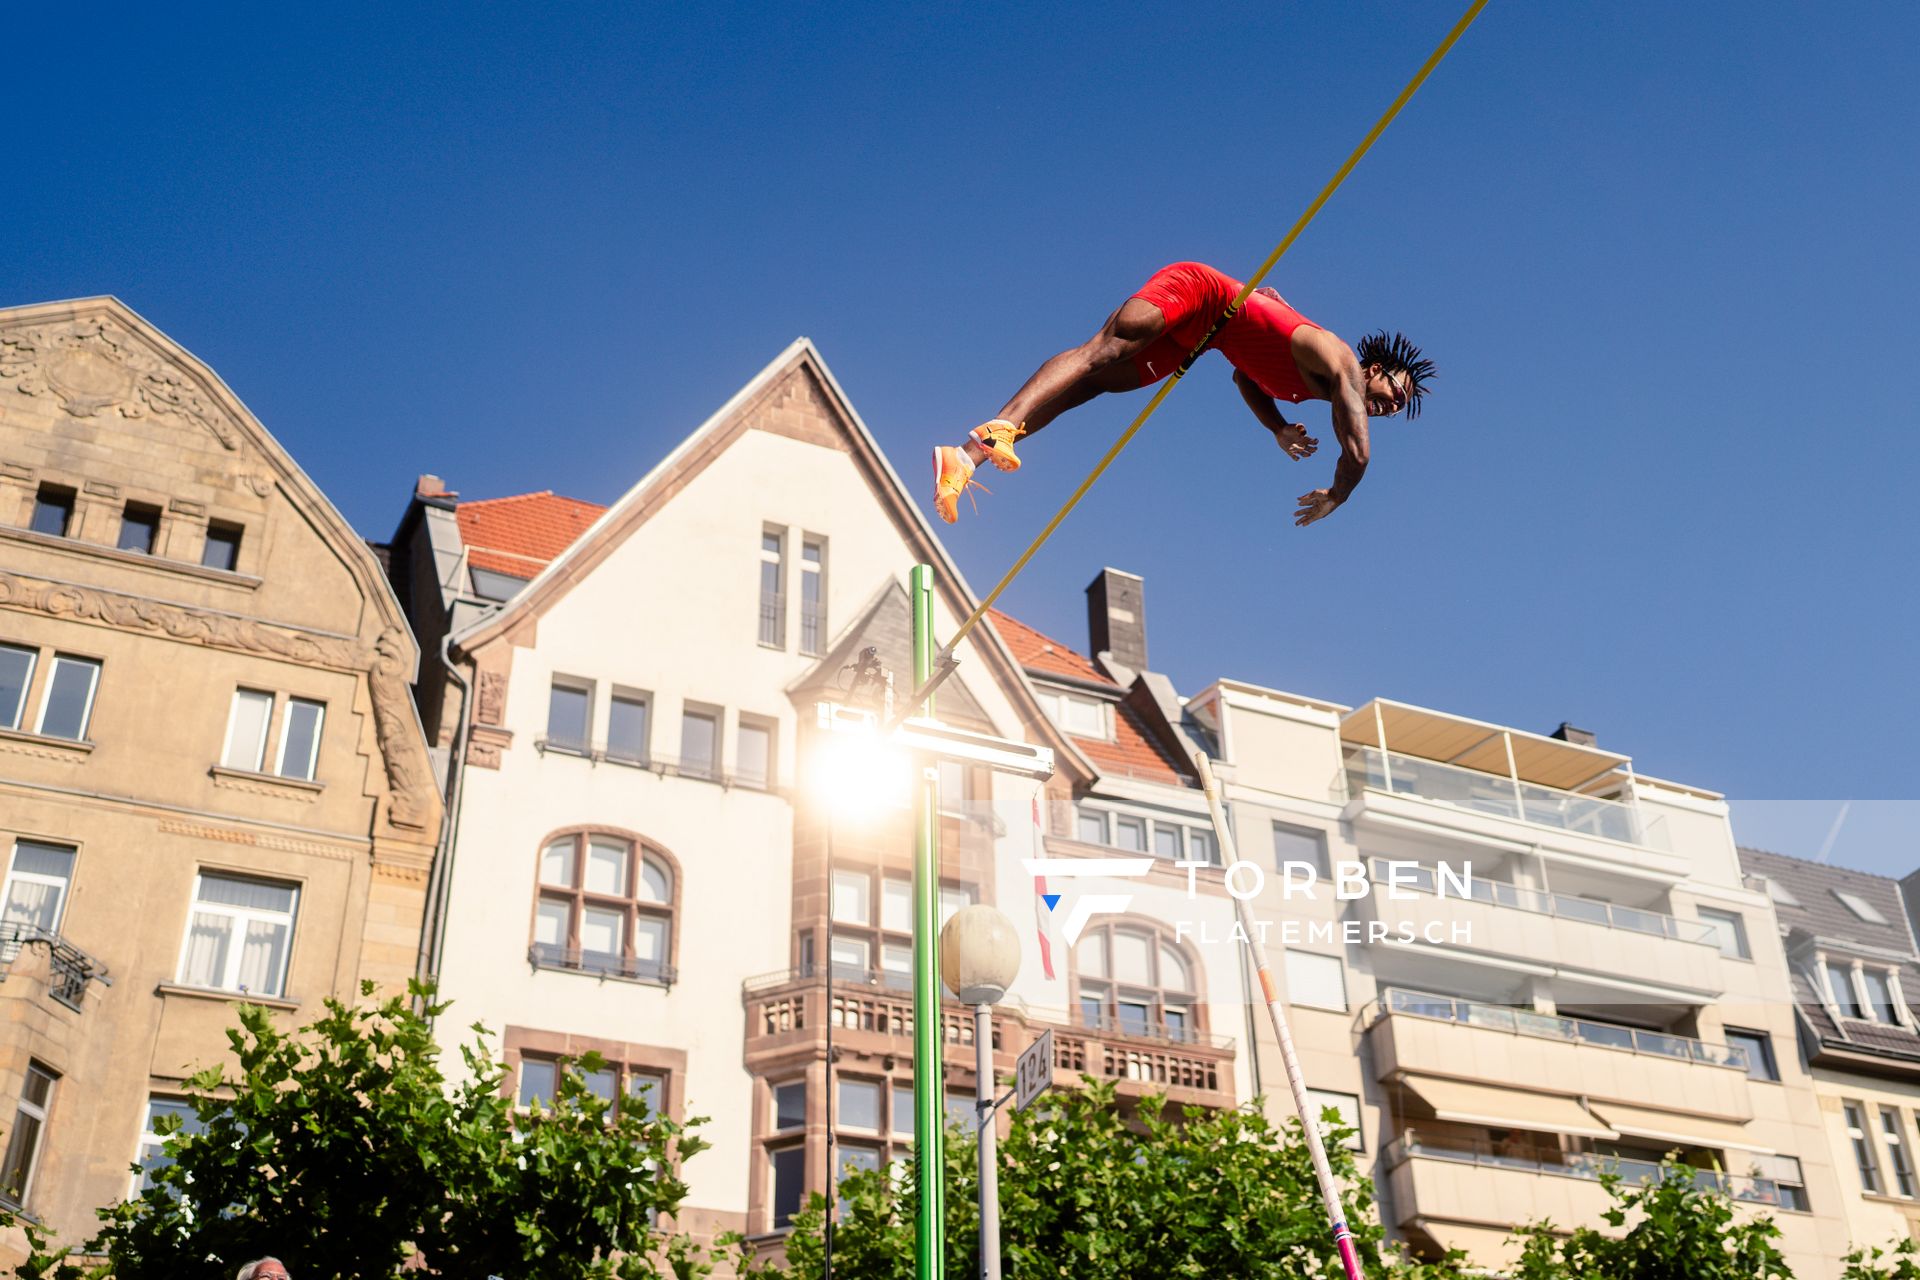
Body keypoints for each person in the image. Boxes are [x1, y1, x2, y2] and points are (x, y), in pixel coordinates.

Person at [932, 261, 1435, 528]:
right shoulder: (1341, 361)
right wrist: (1337, 495)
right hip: (1202, 292)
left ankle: (964, 458)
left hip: (1201, 337)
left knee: (1087, 390)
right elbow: (1358, 451)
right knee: (1103, 352)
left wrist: (1277, 427)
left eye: (1397, 408)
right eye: (1394, 391)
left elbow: (1245, 379)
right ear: (1372, 368)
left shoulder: (1312, 391)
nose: (1391, 405)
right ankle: (999, 425)